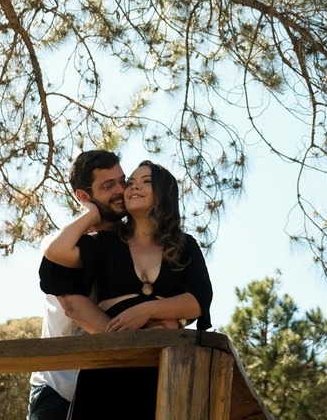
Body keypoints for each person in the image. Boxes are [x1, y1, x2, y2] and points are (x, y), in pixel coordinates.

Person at [43, 160, 213, 420]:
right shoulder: (104, 243)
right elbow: (56, 252)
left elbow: (199, 300)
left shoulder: (185, 245)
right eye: (131, 182)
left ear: (164, 191)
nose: (133, 187)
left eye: (146, 181)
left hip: (164, 366)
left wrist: (146, 311)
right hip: (108, 367)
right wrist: (91, 213)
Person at [27, 149, 128, 420]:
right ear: (83, 196)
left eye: (122, 181)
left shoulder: (134, 245)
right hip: (58, 391)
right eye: (108, 186)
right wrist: (91, 215)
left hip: (113, 389)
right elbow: (73, 307)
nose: (120, 190)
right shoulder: (61, 244)